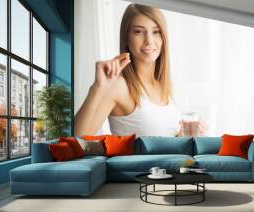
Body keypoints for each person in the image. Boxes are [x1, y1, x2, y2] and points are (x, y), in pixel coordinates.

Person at [75, 4, 205, 137]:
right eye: (139, 32)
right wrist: (97, 88)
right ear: (126, 38)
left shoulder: (164, 86)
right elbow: (77, 140)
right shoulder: (118, 86)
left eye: (156, 32)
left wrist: (185, 135)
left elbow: (164, 145)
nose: (149, 41)